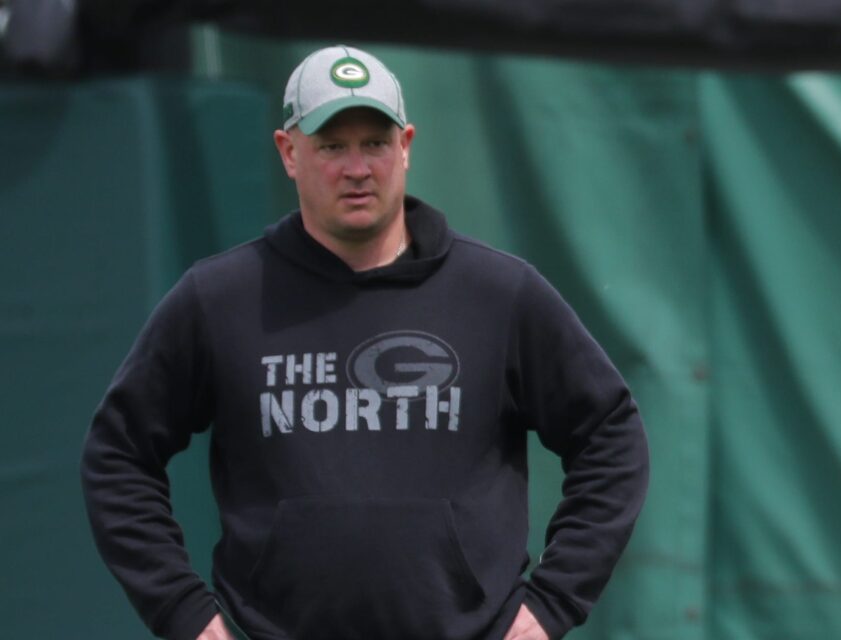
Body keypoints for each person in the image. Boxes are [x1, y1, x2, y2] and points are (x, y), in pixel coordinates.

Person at [81, 44, 649, 640]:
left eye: (375, 143)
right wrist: (186, 615)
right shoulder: (221, 299)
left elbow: (611, 434)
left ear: (405, 146)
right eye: (331, 145)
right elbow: (117, 455)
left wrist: (551, 606)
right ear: (288, 152)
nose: (357, 168)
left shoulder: (498, 294)